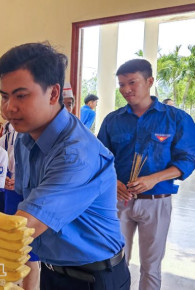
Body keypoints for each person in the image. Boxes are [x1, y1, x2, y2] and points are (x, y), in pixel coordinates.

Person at [0, 42, 129, 289]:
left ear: (54, 94)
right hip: (53, 271)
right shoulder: (25, 139)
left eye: (21, 95)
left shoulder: (76, 154)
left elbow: (21, 230)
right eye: (4, 96)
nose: (8, 107)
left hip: (93, 278)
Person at [97, 58, 195, 290]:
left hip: (157, 202)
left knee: (151, 266)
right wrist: (115, 181)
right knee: (114, 261)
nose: (126, 89)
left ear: (149, 81)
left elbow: (187, 160)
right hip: (119, 201)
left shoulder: (176, 119)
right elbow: (101, 159)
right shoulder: (113, 120)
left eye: (132, 82)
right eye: (121, 84)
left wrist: (154, 178)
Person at [0, 125, 41, 289]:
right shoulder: (4, 140)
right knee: (9, 247)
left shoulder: (40, 137)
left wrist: (22, 183)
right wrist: (3, 180)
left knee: (29, 254)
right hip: (9, 198)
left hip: (30, 197)